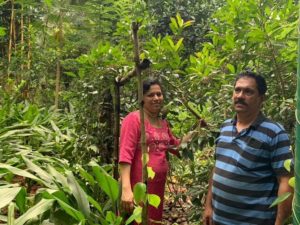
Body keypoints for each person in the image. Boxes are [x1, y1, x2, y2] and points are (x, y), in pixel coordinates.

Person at [203, 71, 294, 225]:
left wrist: (279, 222)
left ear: (261, 98)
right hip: (218, 220)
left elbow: (286, 181)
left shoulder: (274, 133)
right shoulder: (225, 127)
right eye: (237, 90)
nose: (240, 95)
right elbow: (217, 168)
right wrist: (208, 206)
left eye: (248, 91)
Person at [119, 78, 192, 224]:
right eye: (151, 95)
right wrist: (126, 190)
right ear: (142, 98)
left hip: (157, 187)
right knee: (137, 219)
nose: (156, 98)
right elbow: (125, 155)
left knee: (152, 219)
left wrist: (196, 132)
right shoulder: (134, 119)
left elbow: (175, 147)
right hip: (138, 186)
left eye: (159, 94)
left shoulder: (163, 123)